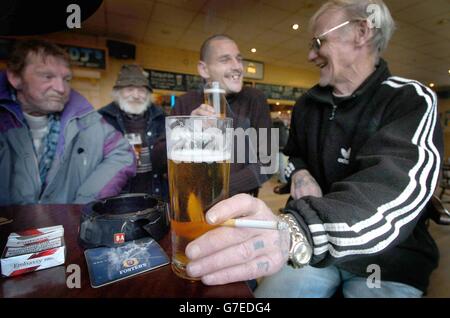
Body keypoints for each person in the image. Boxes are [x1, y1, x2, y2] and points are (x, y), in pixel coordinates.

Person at [182, 0, 443, 298]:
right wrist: (301, 171)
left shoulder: (409, 99)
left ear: (362, 32)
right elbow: (291, 156)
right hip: (307, 244)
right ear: (203, 69)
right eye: (225, 60)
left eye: (318, 42)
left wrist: (297, 230)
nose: (309, 55)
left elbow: (392, 189)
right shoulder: (306, 103)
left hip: (386, 258)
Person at [0, 39, 136, 205]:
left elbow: (123, 153)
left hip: (67, 228)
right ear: (15, 77)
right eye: (47, 76)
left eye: (66, 79)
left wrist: (84, 204)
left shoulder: (86, 119)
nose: (61, 88)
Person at [171, 34, 272, 197]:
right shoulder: (184, 103)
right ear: (204, 69)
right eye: (225, 60)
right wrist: (188, 130)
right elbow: (159, 158)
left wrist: (220, 189)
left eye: (239, 59)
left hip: (241, 205)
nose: (237, 66)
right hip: (193, 203)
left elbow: (268, 163)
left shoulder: (256, 99)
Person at [98, 64, 168, 200]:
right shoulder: (103, 118)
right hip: (116, 197)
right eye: (129, 89)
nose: (136, 95)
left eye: (141, 90)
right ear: (118, 92)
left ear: (148, 94)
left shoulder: (161, 117)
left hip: (155, 195)